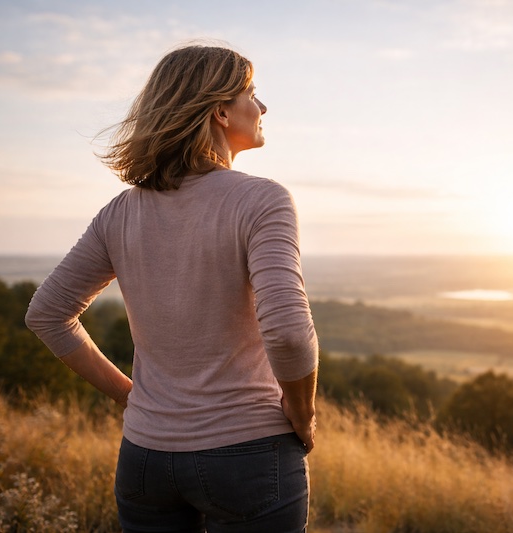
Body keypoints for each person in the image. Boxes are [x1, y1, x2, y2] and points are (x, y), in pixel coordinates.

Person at [25, 43, 319, 533]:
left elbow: (46, 314)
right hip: (248, 453)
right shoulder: (262, 199)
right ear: (221, 111)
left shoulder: (121, 212)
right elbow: (288, 333)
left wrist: (130, 397)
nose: (262, 107)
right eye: (252, 93)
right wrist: (302, 412)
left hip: (145, 459)